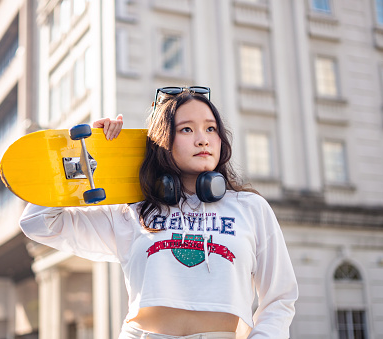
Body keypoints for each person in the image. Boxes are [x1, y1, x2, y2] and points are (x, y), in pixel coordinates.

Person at [19, 87, 298, 339]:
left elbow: (280, 297)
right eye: (187, 130)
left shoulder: (251, 208)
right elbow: (38, 223)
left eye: (211, 129)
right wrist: (89, 155)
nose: (203, 140)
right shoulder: (134, 211)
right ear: (163, 141)